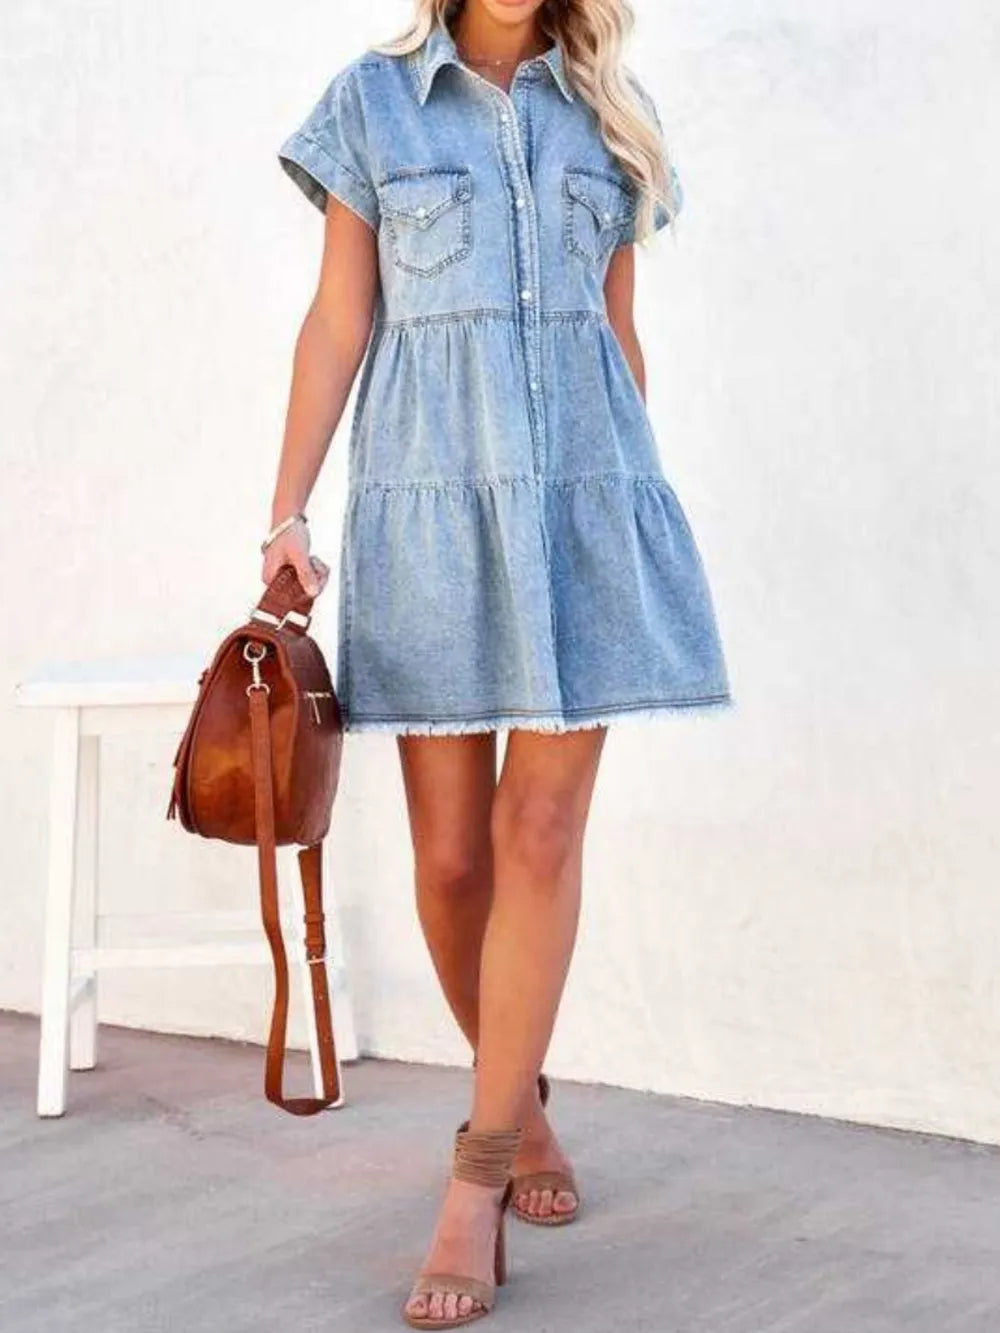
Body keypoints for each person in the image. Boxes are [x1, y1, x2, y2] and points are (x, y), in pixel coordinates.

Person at [268, 0, 732, 1325]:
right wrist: (287, 512)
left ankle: (473, 1180)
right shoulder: (371, 104)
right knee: (454, 861)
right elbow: (338, 320)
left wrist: (631, 508)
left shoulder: (614, 118)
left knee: (539, 836)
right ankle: (518, 1099)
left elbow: (617, 336)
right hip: (431, 516)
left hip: (585, 511)